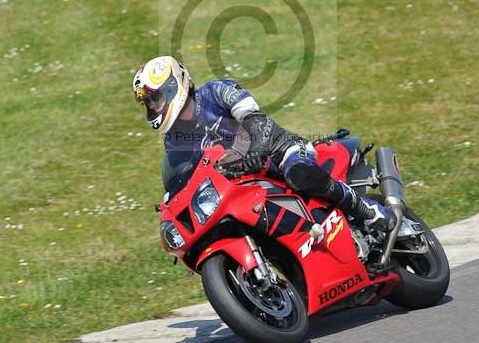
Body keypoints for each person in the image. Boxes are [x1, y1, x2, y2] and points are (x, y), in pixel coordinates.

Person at [132, 55, 394, 233]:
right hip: (244, 185)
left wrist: (257, 150)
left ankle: (365, 209)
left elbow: (257, 121)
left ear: (172, 86)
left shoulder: (218, 91)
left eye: (155, 98)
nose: (153, 107)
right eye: (148, 103)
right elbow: (182, 176)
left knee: (299, 174)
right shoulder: (174, 138)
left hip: (281, 151)